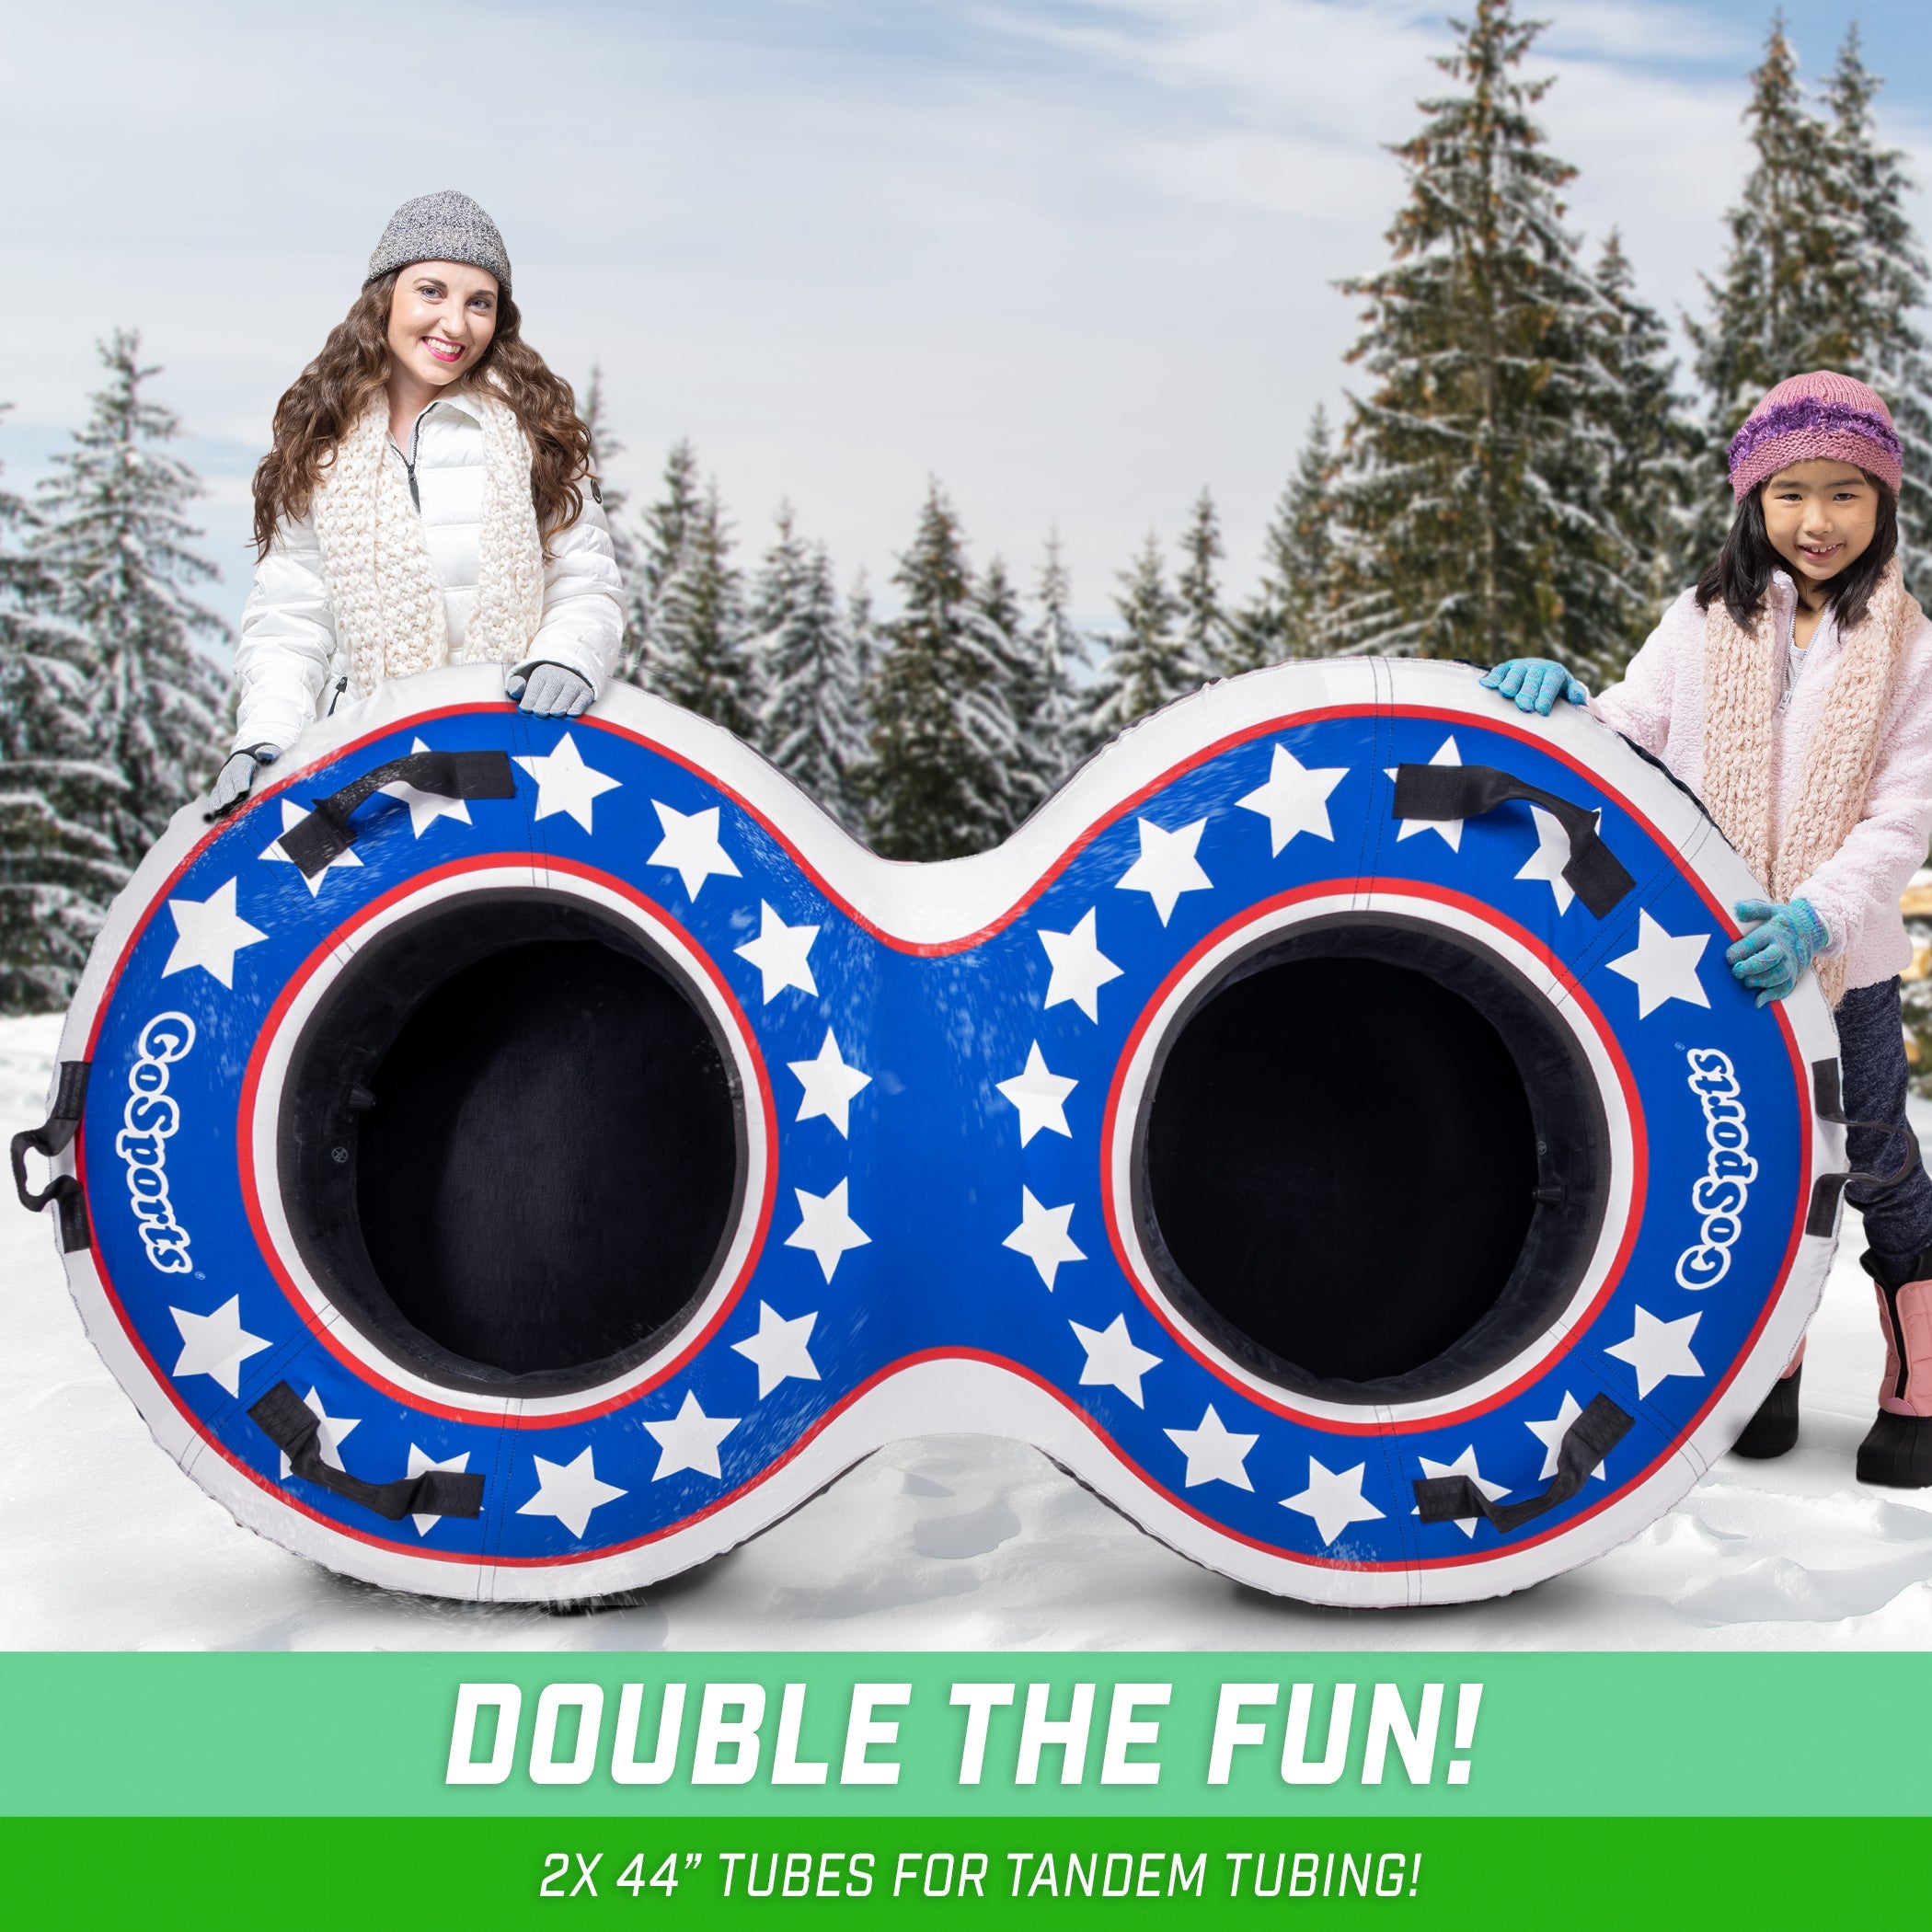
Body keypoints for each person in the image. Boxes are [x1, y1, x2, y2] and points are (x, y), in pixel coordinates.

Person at [1484, 371, 1932, 1487]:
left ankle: (1919, 1380)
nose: (1817, 522)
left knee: (1870, 1158)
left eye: (1845, 493)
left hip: (1843, 966)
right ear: (1753, 500)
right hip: (1710, 963)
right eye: (1790, 494)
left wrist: (1816, 917)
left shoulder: (1911, 651)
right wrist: (1559, 706)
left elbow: (1904, 817)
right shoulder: (1699, 623)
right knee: (1743, 1155)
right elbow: (1630, 734)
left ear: (1884, 502)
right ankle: (1765, 1364)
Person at [213, 190, 624, 812]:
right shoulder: (320, 443)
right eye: (432, 291)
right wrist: (265, 738)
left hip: (518, 749)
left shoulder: (535, 432)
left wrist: (566, 659)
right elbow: (290, 623)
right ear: (385, 298)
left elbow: (585, 585)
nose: (456, 324)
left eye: (479, 302)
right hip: (368, 761)